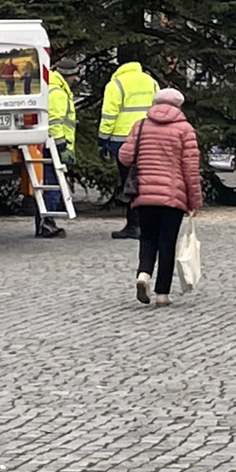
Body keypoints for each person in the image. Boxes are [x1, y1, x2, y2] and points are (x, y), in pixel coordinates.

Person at [118, 87, 201, 308]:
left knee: (147, 238)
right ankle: (162, 293)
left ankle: (143, 275)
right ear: (178, 106)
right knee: (167, 242)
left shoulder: (141, 125)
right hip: (173, 197)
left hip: (144, 194)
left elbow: (125, 157)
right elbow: (191, 169)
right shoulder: (185, 129)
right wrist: (194, 201)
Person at [98, 54, 158, 239]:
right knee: (146, 181)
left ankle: (133, 224)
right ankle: (147, 223)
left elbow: (109, 114)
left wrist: (102, 140)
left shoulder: (116, 84)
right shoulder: (151, 81)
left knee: (129, 182)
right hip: (149, 136)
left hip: (122, 140)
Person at [36, 65, 77, 239]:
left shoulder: (51, 87)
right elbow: (55, 120)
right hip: (54, 145)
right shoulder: (58, 92)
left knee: (47, 183)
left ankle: (43, 222)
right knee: (53, 184)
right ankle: (47, 223)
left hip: (48, 143)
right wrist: (62, 146)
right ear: (69, 75)